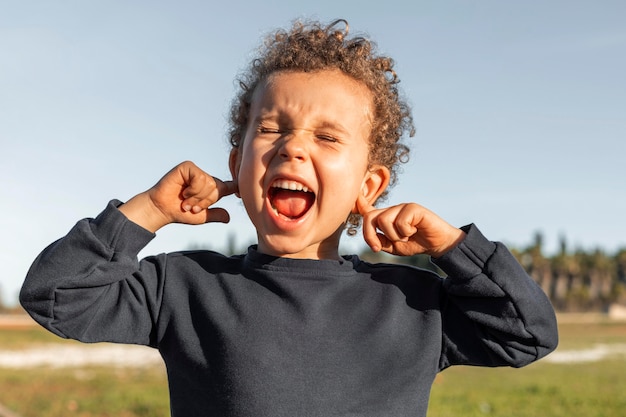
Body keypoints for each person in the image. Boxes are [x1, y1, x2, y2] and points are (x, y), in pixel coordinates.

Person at [20, 19, 558, 417]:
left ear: (367, 187)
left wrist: (454, 248)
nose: (293, 149)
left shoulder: (412, 303)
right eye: (272, 130)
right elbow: (55, 295)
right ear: (237, 164)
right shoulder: (184, 287)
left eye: (326, 137)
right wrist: (149, 210)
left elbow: (527, 333)